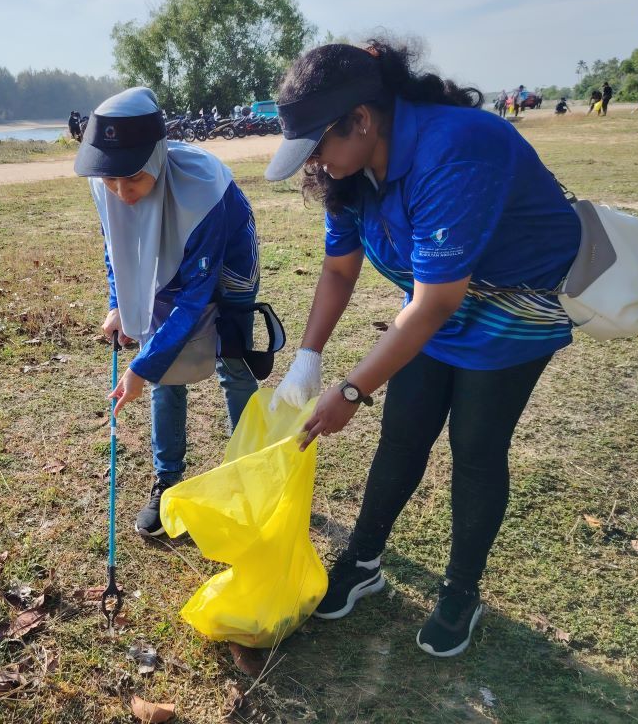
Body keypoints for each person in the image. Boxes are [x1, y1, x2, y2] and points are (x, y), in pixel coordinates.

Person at [264, 41, 581, 658]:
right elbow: (338, 271)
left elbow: (435, 304)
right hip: (435, 299)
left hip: (513, 306)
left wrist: (353, 389)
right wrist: (309, 357)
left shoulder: (456, 147)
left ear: (362, 119)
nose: (317, 167)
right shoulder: (352, 173)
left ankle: (461, 591)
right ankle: (363, 560)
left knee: (476, 444)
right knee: (405, 429)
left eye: (319, 147)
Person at [74, 87, 261, 538]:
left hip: (223, 267)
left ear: (157, 156)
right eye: (111, 182)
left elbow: (196, 297)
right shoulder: (109, 184)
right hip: (161, 269)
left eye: (132, 179)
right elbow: (114, 248)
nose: (122, 193)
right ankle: (168, 482)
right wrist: (120, 303)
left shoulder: (203, 187)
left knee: (231, 363)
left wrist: (142, 366)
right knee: (163, 374)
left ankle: (251, 476)